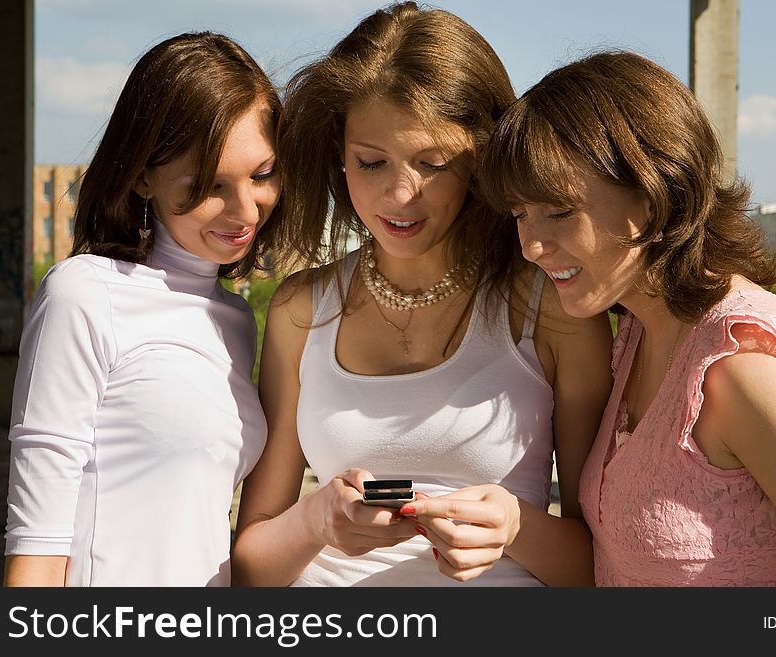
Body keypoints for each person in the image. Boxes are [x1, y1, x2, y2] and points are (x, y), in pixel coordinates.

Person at [231, 1, 612, 587]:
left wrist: (514, 526)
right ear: (338, 154)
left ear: (481, 159)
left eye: (433, 164)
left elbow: (601, 566)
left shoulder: (552, 308)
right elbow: (252, 567)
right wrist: (316, 520)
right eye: (371, 162)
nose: (400, 195)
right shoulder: (299, 309)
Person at [477, 49, 776, 586]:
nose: (531, 245)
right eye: (521, 215)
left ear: (656, 193)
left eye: (559, 211)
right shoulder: (639, 330)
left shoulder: (748, 371)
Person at [3, 31, 283, 586]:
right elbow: (37, 544)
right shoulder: (83, 295)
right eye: (209, 184)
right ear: (143, 176)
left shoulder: (236, 320)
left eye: (262, 174)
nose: (245, 208)